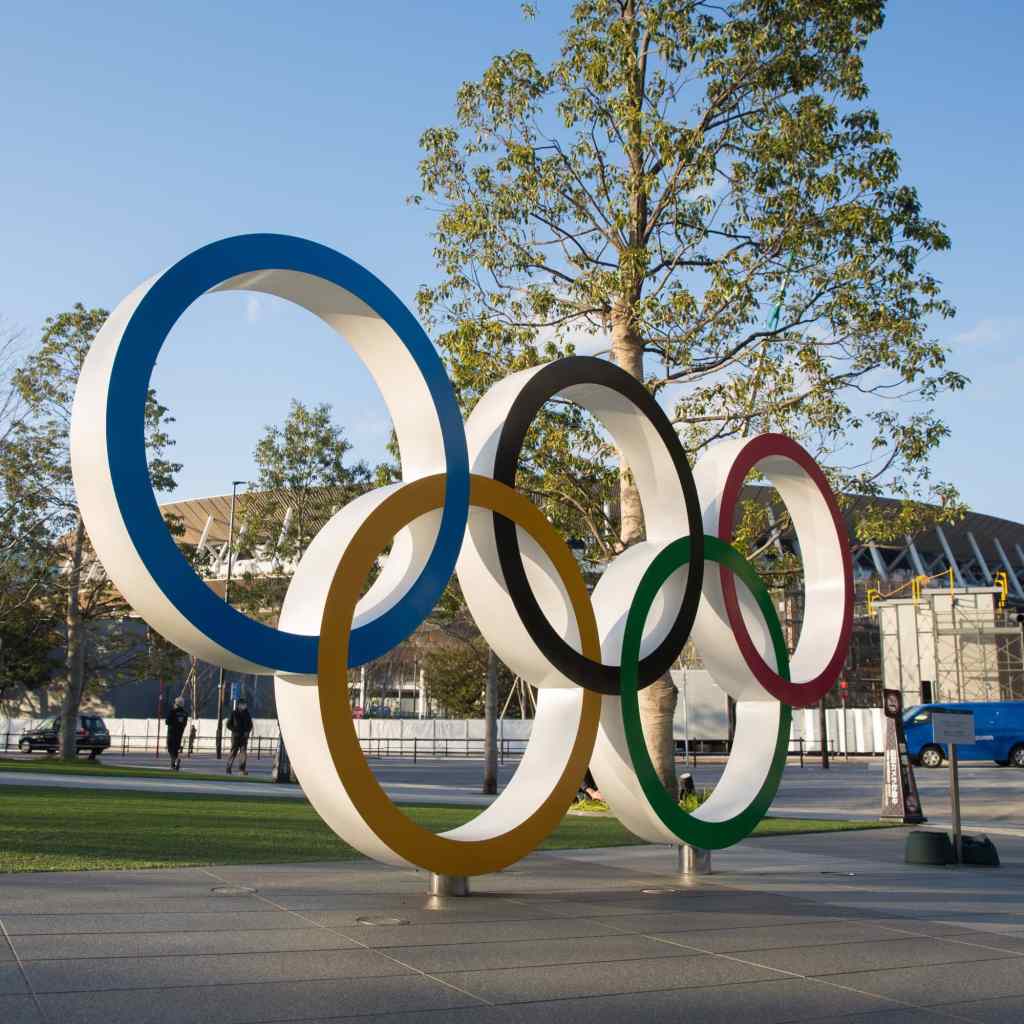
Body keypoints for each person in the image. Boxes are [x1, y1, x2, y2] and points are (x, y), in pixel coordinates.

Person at [225, 699, 253, 775]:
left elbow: (250, 725)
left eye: (244, 704)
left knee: (243, 753)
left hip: (244, 737)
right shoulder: (234, 713)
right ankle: (228, 768)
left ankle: (242, 769)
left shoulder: (247, 714)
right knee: (233, 752)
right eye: (242, 704)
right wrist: (235, 730)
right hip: (236, 737)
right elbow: (228, 724)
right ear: (238, 705)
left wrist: (247, 732)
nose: (244, 706)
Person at [165, 696, 189, 771]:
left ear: (176, 704)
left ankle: (175, 761)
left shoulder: (173, 711)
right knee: (175, 749)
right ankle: (173, 765)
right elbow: (185, 723)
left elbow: (167, 721)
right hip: (179, 733)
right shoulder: (185, 713)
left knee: (170, 748)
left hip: (172, 732)